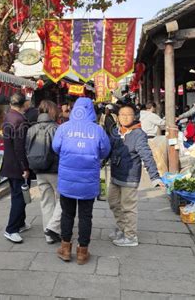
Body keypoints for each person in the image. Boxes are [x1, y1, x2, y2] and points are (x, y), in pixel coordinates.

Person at [52, 97, 111, 265]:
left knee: (67, 214)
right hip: (88, 180)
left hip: (67, 179)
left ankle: (65, 249)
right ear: (91, 110)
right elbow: (105, 150)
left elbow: (55, 147)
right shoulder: (98, 130)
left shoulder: (63, 128)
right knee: (86, 216)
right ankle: (82, 252)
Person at [108, 104, 162, 247]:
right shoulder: (115, 131)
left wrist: (154, 176)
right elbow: (108, 150)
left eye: (129, 114)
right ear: (118, 117)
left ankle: (130, 236)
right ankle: (122, 228)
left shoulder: (138, 134)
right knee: (113, 203)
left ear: (135, 117)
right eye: (122, 114)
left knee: (128, 207)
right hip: (115, 174)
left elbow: (146, 155)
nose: (125, 117)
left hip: (130, 177)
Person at [25, 100, 61, 244]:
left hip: (39, 171)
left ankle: (48, 234)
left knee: (46, 201)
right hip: (55, 170)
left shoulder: (31, 129)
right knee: (62, 200)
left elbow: (27, 148)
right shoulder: (56, 128)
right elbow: (59, 150)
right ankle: (54, 228)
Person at [0, 93, 31, 243]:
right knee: (20, 197)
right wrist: (25, 167)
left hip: (10, 163)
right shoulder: (19, 120)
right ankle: (11, 229)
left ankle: (20, 223)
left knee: (17, 195)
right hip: (18, 165)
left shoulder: (8, 116)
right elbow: (20, 147)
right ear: (24, 104)